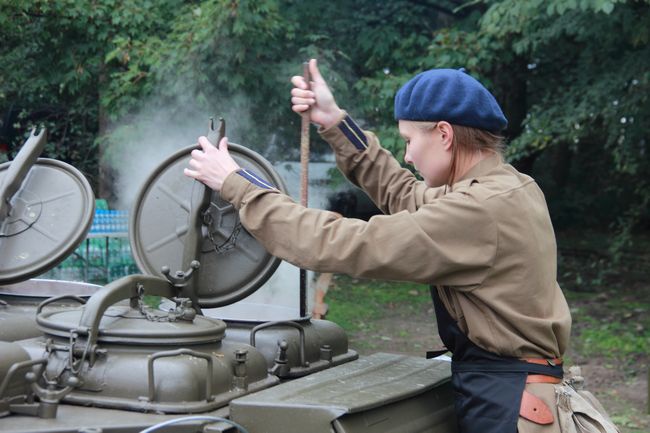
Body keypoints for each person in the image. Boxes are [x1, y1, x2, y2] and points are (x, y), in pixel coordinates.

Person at [184, 59, 572, 433]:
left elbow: (347, 243)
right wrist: (335, 122)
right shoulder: (508, 186)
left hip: (507, 404)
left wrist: (237, 184)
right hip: (513, 389)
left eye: (408, 140)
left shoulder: (478, 210)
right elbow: (403, 192)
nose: (406, 154)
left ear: (444, 134)